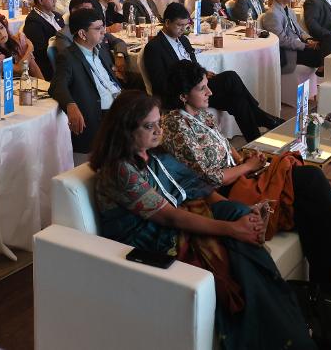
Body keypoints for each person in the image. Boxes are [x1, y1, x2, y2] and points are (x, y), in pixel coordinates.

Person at [90, 90, 315, 350]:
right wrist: (232, 229)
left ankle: (279, 324)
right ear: (125, 130)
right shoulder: (119, 169)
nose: (158, 131)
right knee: (236, 246)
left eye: (158, 122)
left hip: (177, 219)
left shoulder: (154, 153)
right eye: (149, 126)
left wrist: (244, 215)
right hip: (152, 240)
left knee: (238, 214)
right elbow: (170, 217)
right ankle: (281, 328)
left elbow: (199, 189)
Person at [160, 60, 331, 285]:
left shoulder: (201, 113)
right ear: (183, 96)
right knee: (310, 181)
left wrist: (244, 160)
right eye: (202, 88)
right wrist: (247, 167)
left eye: (207, 85)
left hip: (239, 176)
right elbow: (209, 178)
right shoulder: (176, 125)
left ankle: (328, 289)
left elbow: (225, 145)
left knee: (309, 206)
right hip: (220, 193)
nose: (210, 92)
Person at [144, 3, 279, 140]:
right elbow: (159, 84)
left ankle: (255, 142)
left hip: (197, 87)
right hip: (182, 94)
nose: (183, 29)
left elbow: (193, 65)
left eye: (185, 25)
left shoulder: (183, 40)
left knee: (238, 101)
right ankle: (261, 117)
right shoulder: (154, 47)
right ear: (167, 23)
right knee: (230, 77)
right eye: (179, 25)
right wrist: (187, 82)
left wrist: (203, 73)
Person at [49, 8, 123, 163]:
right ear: (82, 34)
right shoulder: (68, 57)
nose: (103, 32)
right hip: (101, 115)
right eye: (98, 29)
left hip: (119, 107)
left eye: (103, 27)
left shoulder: (101, 49)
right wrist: (70, 105)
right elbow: (57, 86)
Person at [262, 0, 323, 73]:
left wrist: (309, 39)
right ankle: (322, 72)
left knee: (326, 43)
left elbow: (299, 31)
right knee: (323, 53)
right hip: (290, 52)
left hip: (299, 44)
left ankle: (322, 70)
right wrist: (306, 46)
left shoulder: (289, 10)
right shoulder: (272, 14)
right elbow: (282, 40)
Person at [0, 13, 43, 77]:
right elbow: (19, 69)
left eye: (1, 27)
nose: (1, 33)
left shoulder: (16, 40)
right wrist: (30, 48)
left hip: (24, 82)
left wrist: (44, 83)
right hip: (3, 84)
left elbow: (33, 66)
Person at [24, 0, 64, 81]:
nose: (55, 1)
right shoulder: (33, 22)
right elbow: (39, 51)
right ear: (41, 1)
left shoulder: (57, 16)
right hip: (50, 64)